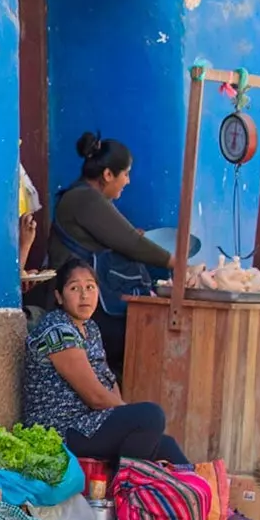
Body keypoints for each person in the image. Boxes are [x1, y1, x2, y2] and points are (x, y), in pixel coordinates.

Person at [21, 260, 260, 520]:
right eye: (74, 288)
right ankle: (127, 502)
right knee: (150, 417)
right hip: (59, 431)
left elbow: (108, 382)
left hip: (87, 423)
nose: (84, 295)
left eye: (90, 287)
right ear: (59, 296)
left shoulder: (89, 329)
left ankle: (213, 511)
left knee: (165, 443)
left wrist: (128, 419)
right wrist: (131, 419)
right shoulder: (57, 331)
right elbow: (95, 396)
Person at [46, 133, 172, 371]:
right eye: (125, 173)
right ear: (107, 175)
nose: (128, 181)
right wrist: (176, 262)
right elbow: (131, 242)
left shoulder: (83, 196)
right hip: (75, 301)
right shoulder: (85, 199)